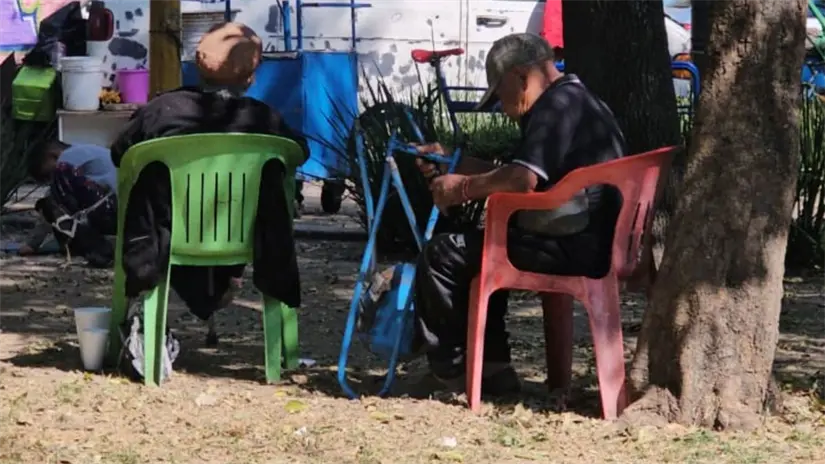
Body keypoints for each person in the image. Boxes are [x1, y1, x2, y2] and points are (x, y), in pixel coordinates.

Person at [412, 33, 627, 395]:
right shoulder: (575, 99)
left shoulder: (554, 107)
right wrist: (456, 162)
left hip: (576, 244)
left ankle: (451, 371)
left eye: (499, 95)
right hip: (594, 237)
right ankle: (493, 369)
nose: (501, 107)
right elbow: (518, 169)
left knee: (444, 254)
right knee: (479, 249)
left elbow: (521, 179)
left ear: (520, 77)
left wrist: (460, 188)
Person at [109, 22, 308, 340]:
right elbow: (298, 154)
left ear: (198, 68)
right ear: (251, 75)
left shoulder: (161, 111)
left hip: (167, 235)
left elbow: (120, 154)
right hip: (249, 240)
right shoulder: (265, 120)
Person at [24, 140, 118, 266]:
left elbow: (54, 204)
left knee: (48, 204)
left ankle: (100, 252)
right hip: (123, 209)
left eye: (48, 175)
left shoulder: (65, 160)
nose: (50, 181)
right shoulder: (88, 151)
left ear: (52, 155)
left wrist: (32, 244)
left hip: (110, 209)